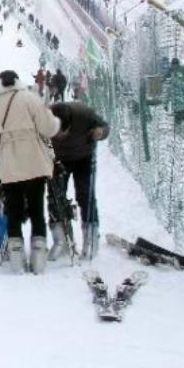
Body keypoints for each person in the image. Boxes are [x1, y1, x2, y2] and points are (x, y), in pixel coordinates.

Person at [0, 70, 60, 274]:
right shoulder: (28, 97)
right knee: (36, 209)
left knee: (13, 210)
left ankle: (17, 260)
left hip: (9, 162)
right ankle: (38, 260)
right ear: (17, 81)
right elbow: (48, 127)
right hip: (34, 159)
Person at [47, 102, 109, 259]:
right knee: (55, 197)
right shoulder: (44, 117)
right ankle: (61, 240)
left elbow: (104, 126)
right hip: (57, 159)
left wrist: (100, 132)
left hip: (84, 157)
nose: (60, 136)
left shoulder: (84, 114)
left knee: (85, 195)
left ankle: (91, 238)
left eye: (63, 132)